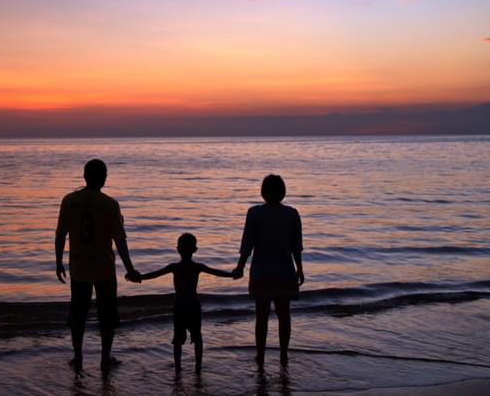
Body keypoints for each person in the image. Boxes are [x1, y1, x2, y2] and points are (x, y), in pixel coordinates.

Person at [55, 159, 141, 373]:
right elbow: (120, 241)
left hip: (79, 267)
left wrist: (58, 262)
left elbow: (60, 234)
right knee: (106, 314)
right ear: (104, 178)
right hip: (104, 268)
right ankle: (104, 358)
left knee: (78, 313)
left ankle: (78, 356)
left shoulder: (69, 201)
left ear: (84, 176)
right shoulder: (110, 204)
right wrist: (130, 269)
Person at [136, 233, 238, 373]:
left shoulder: (174, 267)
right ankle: (198, 367)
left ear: (178, 249)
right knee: (197, 337)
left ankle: (178, 367)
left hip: (180, 306)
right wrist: (233, 274)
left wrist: (138, 277)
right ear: (195, 250)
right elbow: (217, 272)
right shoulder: (197, 267)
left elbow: (153, 275)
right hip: (194, 306)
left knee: (178, 340)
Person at [232, 174, 304, 367]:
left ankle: (261, 355)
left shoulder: (254, 213)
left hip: (262, 272)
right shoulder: (292, 213)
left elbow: (247, 244)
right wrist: (300, 269)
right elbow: (296, 246)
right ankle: (283, 354)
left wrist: (240, 267)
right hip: (284, 271)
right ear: (283, 192)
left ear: (263, 192)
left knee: (261, 317)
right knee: (284, 315)